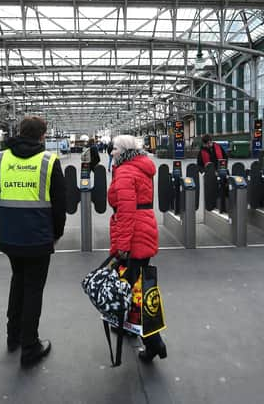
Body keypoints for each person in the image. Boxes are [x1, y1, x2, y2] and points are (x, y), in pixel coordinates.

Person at [0, 115, 67, 367]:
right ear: (43, 135)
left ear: (19, 131)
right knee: (33, 289)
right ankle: (30, 346)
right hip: (39, 238)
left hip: (10, 237)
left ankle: (13, 336)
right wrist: (57, 232)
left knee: (18, 281)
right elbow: (60, 203)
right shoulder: (49, 160)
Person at [108, 135, 167, 362]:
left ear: (123, 151)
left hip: (133, 236)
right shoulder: (140, 167)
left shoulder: (124, 172)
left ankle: (154, 343)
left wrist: (122, 246)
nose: (111, 152)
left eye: (114, 149)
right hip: (144, 228)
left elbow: (125, 212)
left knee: (134, 289)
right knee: (136, 286)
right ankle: (127, 325)